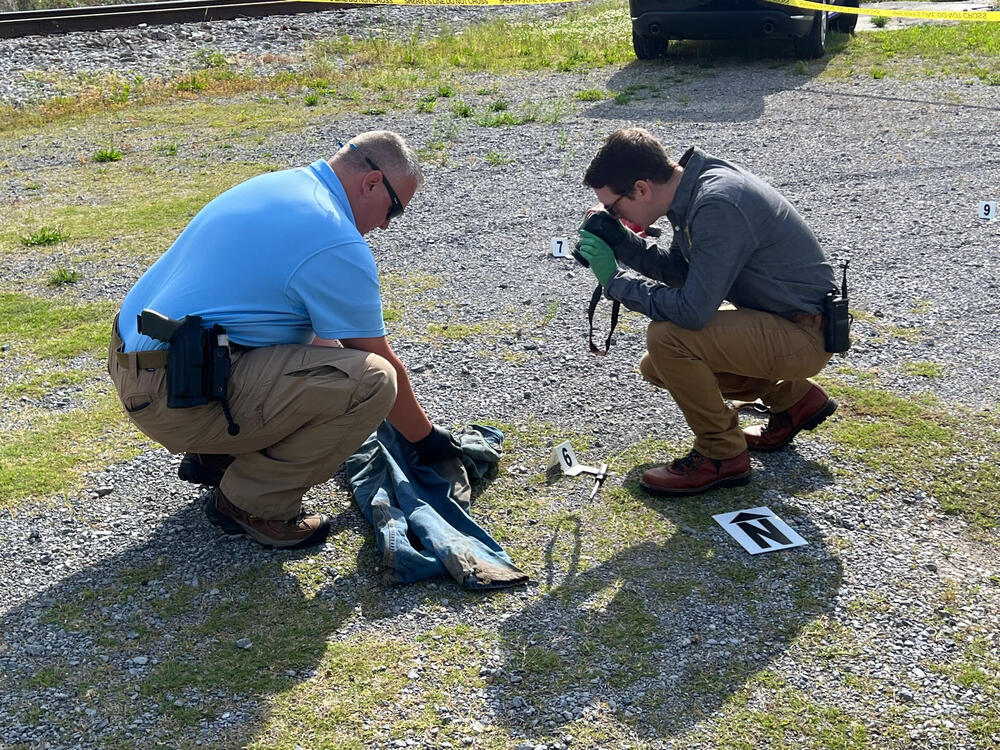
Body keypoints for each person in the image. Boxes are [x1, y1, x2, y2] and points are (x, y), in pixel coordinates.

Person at [109, 131, 461, 548]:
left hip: (139, 364)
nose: (386, 224)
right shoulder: (334, 238)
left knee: (318, 359)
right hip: (172, 395)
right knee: (373, 383)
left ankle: (217, 456)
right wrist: (425, 440)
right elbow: (375, 361)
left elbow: (313, 345)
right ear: (371, 183)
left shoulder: (278, 185)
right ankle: (253, 503)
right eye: (394, 210)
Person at [576, 128, 840, 496]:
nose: (613, 214)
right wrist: (624, 243)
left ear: (641, 188)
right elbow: (685, 273)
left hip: (804, 334)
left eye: (614, 207)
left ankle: (721, 454)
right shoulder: (695, 187)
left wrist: (613, 280)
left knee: (668, 339)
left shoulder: (717, 203)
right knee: (657, 364)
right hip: (785, 322)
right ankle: (794, 399)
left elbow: (693, 310)